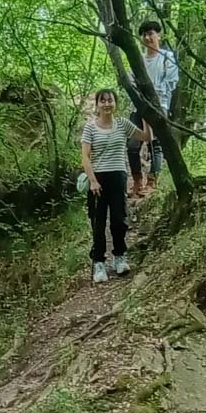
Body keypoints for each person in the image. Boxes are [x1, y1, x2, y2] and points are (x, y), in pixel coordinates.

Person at [80, 89, 151, 284]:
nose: (106, 104)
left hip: (118, 175)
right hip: (98, 178)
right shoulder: (90, 128)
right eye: (102, 101)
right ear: (97, 105)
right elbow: (85, 156)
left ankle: (119, 256)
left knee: (119, 219)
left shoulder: (122, 124)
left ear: (115, 103)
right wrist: (93, 180)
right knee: (98, 221)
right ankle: (99, 262)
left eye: (110, 100)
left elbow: (145, 137)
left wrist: (146, 116)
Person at [128, 19, 179, 197]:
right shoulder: (138, 59)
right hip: (138, 107)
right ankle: (136, 181)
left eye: (151, 33)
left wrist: (152, 93)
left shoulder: (167, 58)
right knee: (132, 144)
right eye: (144, 34)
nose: (147, 37)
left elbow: (171, 82)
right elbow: (131, 81)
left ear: (159, 35)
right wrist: (139, 96)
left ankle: (152, 181)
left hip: (159, 106)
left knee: (155, 144)